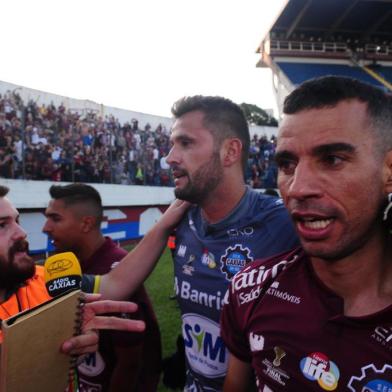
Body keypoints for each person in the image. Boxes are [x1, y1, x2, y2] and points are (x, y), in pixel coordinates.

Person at [98, 96, 299, 391]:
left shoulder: (285, 225)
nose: (170, 157)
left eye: (186, 143)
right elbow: (113, 286)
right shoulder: (182, 219)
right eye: (172, 145)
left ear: (230, 151)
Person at [221, 76, 392, 391]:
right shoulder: (251, 288)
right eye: (287, 164)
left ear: (389, 171)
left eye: (332, 160)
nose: (298, 187)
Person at [0, 184, 145, 381]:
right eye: (2, 225)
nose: (22, 232)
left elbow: (114, 285)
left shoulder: (46, 278)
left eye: (18, 220)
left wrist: (58, 351)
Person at [43, 183, 161, 392]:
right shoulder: (69, 268)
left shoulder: (118, 270)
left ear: (86, 223)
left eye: (55, 218)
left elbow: (129, 362)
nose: (45, 227)